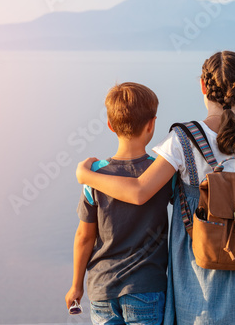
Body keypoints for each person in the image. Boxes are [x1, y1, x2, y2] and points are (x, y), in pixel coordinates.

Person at [76, 51, 235, 325]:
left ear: (202, 86)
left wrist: (86, 175)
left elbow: (139, 192)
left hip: (198, 292)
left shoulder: (183, 140)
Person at [65, 82, 172, 324]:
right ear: (152, 124)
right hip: (147, 287)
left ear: (110, 126)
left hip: (102, 290)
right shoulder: (161, 172)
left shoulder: (95, 175)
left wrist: (76, 286)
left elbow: (84, 236)